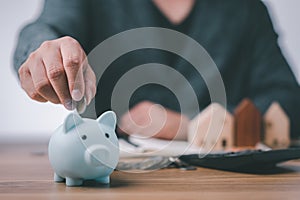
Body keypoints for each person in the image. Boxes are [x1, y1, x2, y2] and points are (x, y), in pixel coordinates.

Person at [14, 0, 300, 141]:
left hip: (224, 185)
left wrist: (190, 128)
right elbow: (44, 30)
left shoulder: (245, 9)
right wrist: (41, 49)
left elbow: (288, 102)